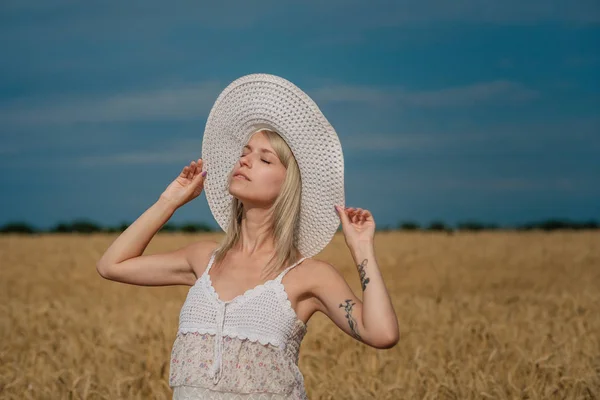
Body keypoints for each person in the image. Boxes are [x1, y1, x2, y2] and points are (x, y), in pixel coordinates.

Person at [96, 74, 399, 399]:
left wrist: (362, 247)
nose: (244, 160)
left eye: (265, 159)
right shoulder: (203, 260)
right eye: (245, 152)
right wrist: (170, 201)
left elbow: (381, 333)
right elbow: (112, 264)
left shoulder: (308, 276)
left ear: (289, 185)